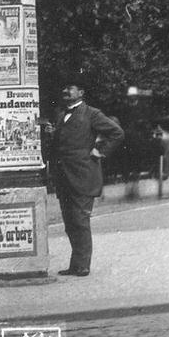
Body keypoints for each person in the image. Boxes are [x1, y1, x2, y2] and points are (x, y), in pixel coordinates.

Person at [43, 81, 122, 277]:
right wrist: (51, 135)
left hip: (83, 176)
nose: (65, 90)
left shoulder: (92, 113)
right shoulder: (62, 115)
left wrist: (100, 151)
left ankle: (83, 265)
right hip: (64, 178)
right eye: (64, 87)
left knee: (80, 220)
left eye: (70, 88)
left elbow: (117, 133)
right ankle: (76, 264)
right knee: (70, 222)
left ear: (81, 92)